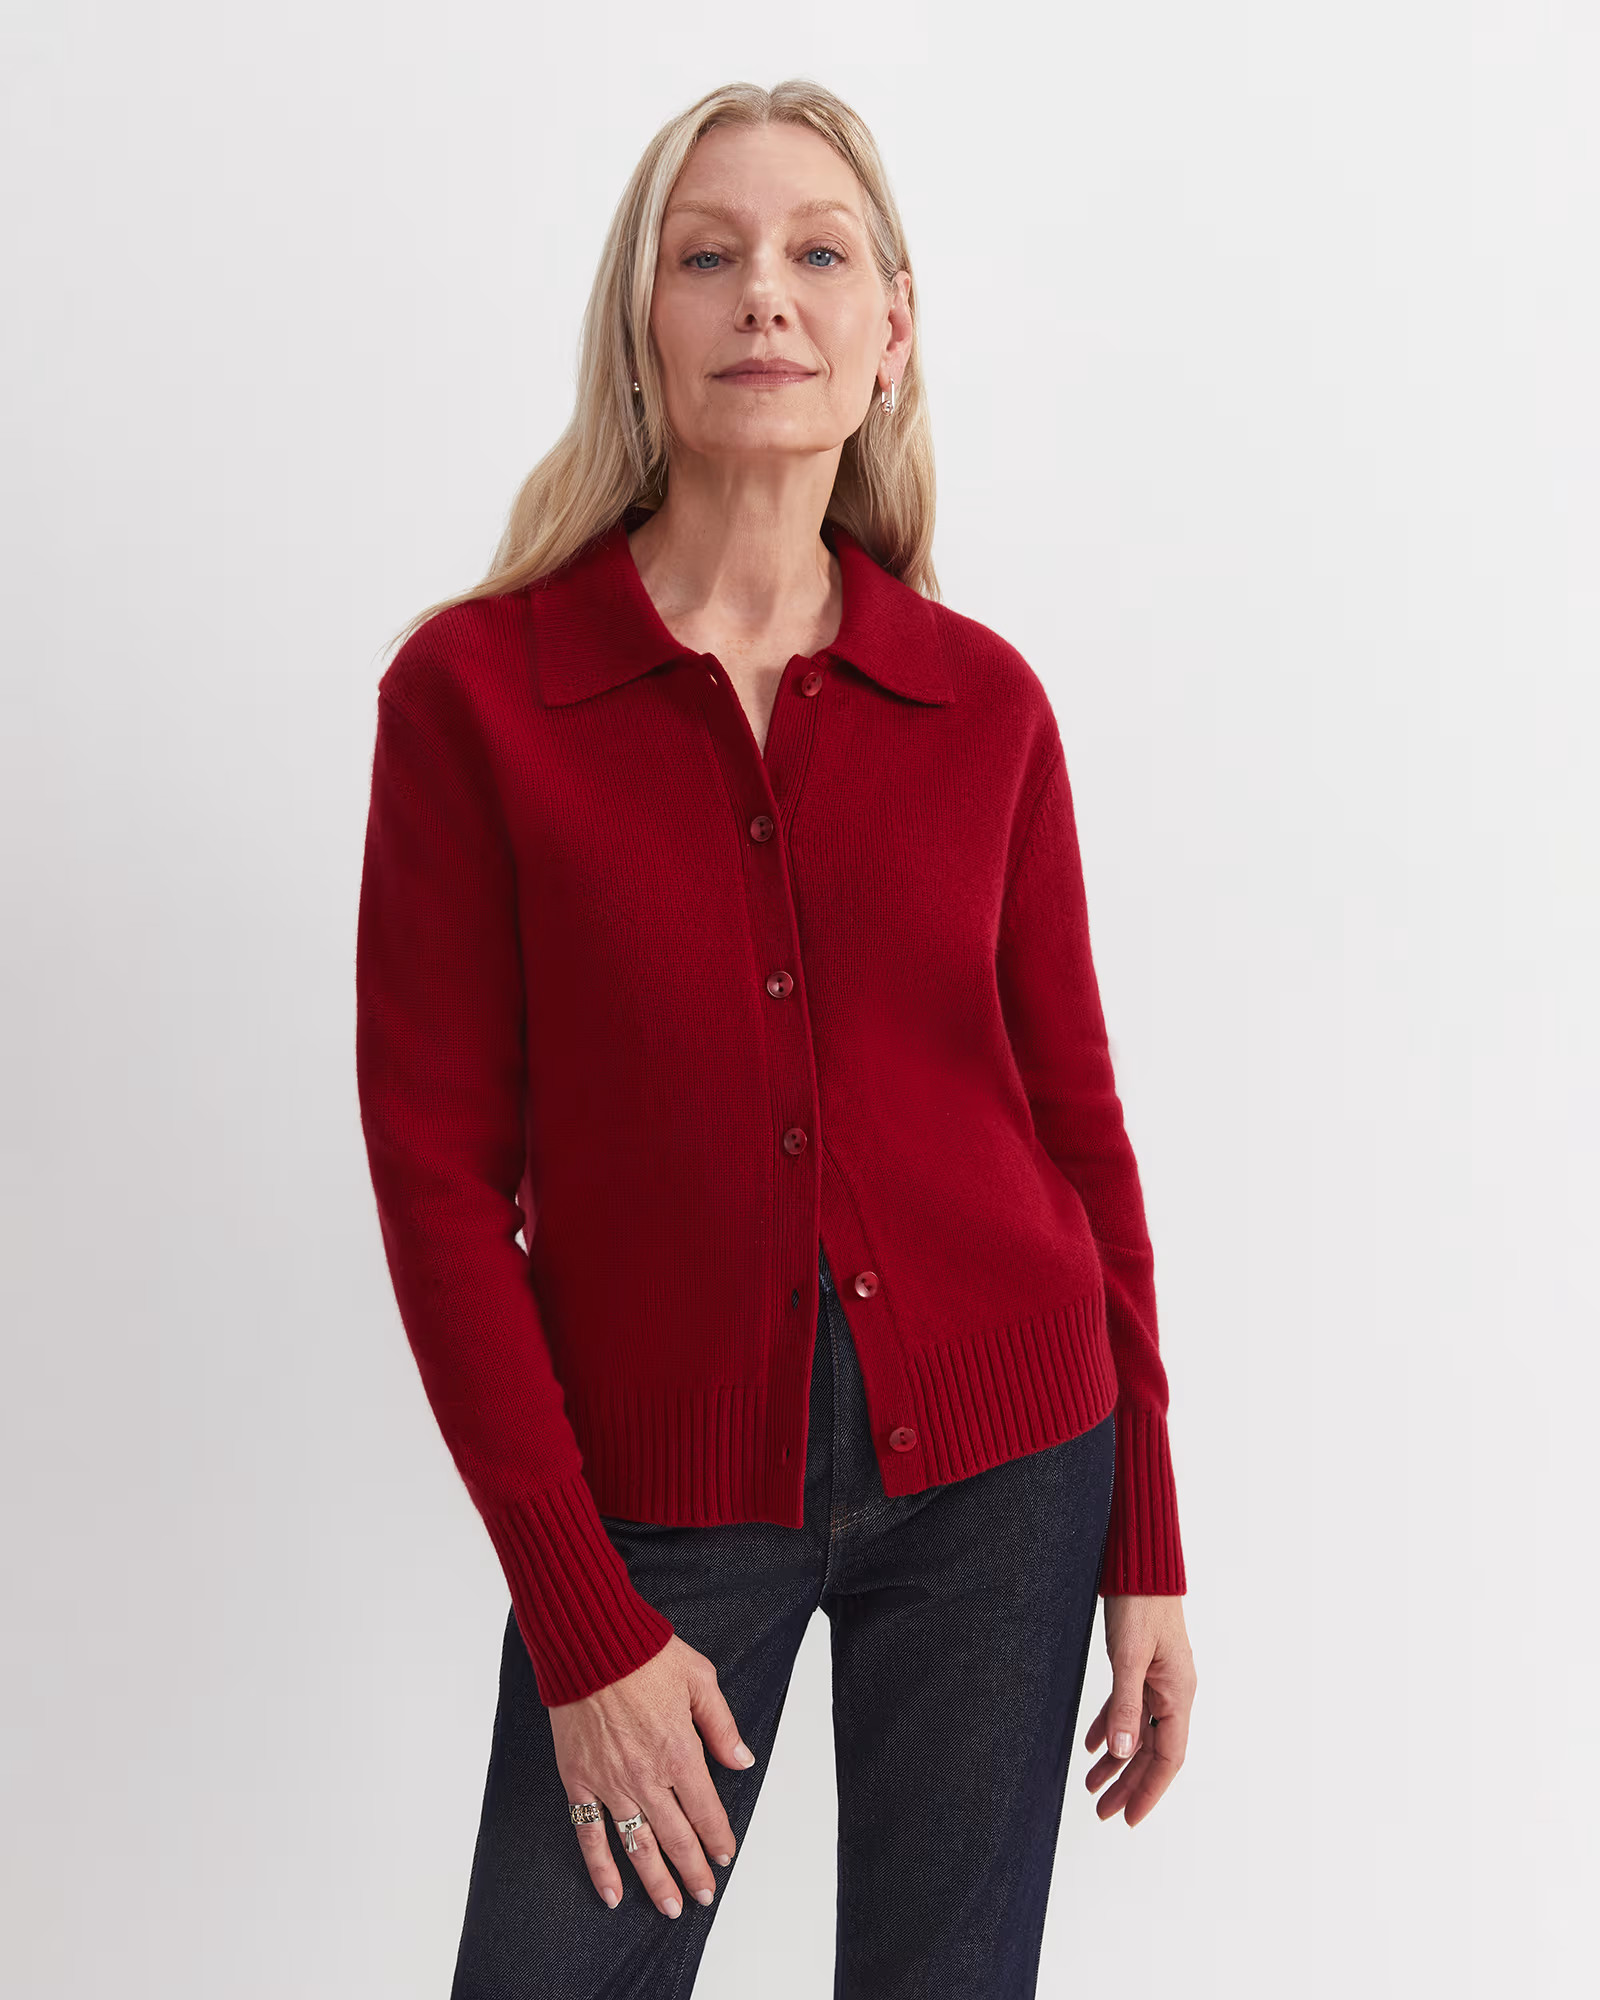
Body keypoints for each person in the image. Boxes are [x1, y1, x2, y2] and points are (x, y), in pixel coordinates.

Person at [355, 77, 1197, 2000]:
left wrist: (1146, 1534)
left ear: (891, 333)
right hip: (654, 1509)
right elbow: (435, 1186)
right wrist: (581, 1625)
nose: (763, 293)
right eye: (708, 254)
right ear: (641, 326)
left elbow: (1080, 1134)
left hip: (1006, 1471)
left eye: (818, 254)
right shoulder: (479, 696)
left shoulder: (981, 707)